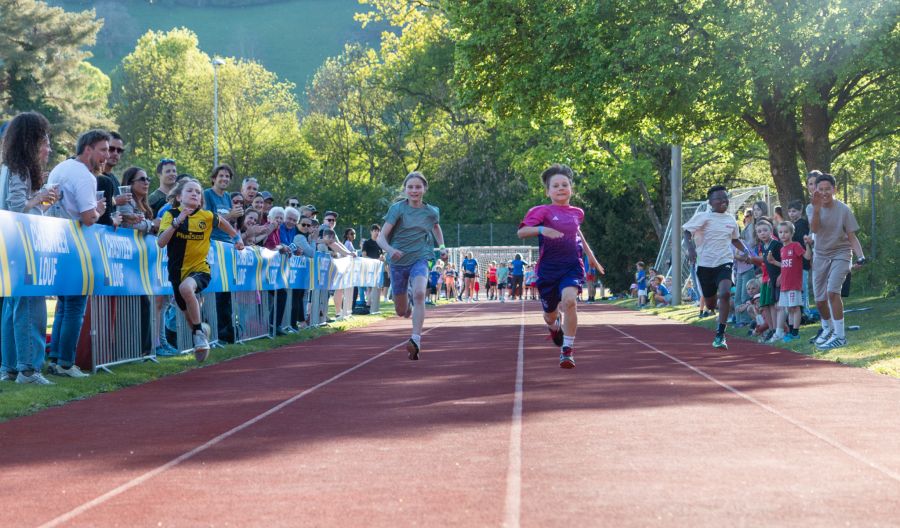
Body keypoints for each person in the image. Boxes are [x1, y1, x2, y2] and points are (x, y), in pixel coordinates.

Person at [518, 163, 604, 369]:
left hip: (572, 266)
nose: (560, 188)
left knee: (570, 302)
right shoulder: (541, 211)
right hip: (548, 270)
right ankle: (554, 327)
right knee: (550, 315)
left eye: (564, 184)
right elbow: (521, 233)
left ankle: (567, 350)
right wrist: (542, 231)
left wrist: (591, 256)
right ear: (548, 191)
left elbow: (577, 233)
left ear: (571, 188)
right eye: (555, 186)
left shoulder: (577, 212)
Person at [157, 178, 244, 361]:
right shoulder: (171, 215)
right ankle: (200, 334)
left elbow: (223, 223)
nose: (195, 194)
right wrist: (177, 222)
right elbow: (161, 242)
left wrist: (236, 238)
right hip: (177, 271)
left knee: (186, 289)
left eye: (198, 192)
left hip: (200, 269)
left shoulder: (207, 216)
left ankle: (198, 333)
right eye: (190, 191)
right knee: (186, 312)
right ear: (179, 196)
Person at [46, 129, 110, 378]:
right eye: (103, 149)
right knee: (74, 306)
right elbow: (88, 217)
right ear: (88, 149)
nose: (106, 156)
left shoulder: (60, 168)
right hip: (74, 246)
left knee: (64, 305)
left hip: (56, 242)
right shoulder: (84, 176)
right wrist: (99, 209)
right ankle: (65, 362)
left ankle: (55, 360)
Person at [0, 111, 58, 384]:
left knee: (13, 308)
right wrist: (40, 197)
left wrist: (39, 201)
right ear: (31, 140)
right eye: (44, 141)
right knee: (29, 306)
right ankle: (28, 369)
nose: (47, 147)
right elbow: (15, 207)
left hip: (11, 247)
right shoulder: (18, 168)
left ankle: (11, 368)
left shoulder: (8, 167)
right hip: (20, 247)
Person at [377, 171, 445, 360]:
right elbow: (381, 237)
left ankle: (415, 339)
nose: (414, 190)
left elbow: (436, 227)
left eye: (418, 187)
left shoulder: (431, 211)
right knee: (401, 311)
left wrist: (442, 247)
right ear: (405, 189)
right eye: (410, 187)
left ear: (424, 189)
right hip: (398, 261)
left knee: (420, 294)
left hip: (420, 258)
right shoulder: (397, 209)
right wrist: (390, 250)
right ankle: (405, 297)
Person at [683, 184, 750, 350]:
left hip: (724, 262)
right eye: (719, 198)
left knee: (725, 293)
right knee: (711, 304)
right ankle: (713, 309)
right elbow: (686, 232)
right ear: (711, 202)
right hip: (705, 265)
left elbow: (735, 239)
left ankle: (720, 334)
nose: (723, 201)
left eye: (725, 198)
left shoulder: (730, 220)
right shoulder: (702, 217)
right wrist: (690, 249)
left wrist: (746, 250)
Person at [808, 172, 866, 350]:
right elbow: (815, 230)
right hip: (820, 255)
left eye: (828, 189)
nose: (824, 193)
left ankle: (840, 336)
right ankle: (828, 329)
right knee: (819, 301)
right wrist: (817, 209)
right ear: (815, 191)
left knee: (832, 292)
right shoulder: (811, 208)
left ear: (834, 189)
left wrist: (860, 256)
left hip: (841, 252)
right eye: (820, 189)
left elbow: (852, 236)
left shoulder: (844, 209)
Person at [767, 221, 804, 342]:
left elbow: (805, 257)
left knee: (795, 307)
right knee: (789, 308)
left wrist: (809, 246)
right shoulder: (783, 249)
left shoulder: (796, 245)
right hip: (785, 284)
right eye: (780, 232)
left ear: (792, 233)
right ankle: (792, 333)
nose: (783, 235)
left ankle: (795, 332)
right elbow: (785, 265)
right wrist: (773, 262)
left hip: (794, 283)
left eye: (786, 232)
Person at [786, 199, 812, 318]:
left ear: (800, 211)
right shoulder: (793, 225)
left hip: (802, 261)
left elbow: (803, 244)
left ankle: (805, 312)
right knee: (797, 288)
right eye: (790, 211)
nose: (792, 214)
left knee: (803, 288)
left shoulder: (801, 224)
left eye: (794, 211)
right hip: (795, 262)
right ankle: (799, 311)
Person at [361, 224, 384, 312]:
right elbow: (364, 256)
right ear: (371, 232)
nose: (376, 232)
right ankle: (368, 305)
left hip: (378, 269)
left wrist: (382, 259)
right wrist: (376, 260)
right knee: (370, 287)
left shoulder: (380, 243)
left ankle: (372, 306)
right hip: (369, 268)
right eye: (375, 231)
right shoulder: (367, 243)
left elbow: (381, 255)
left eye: (378, 231)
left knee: (376, 287)